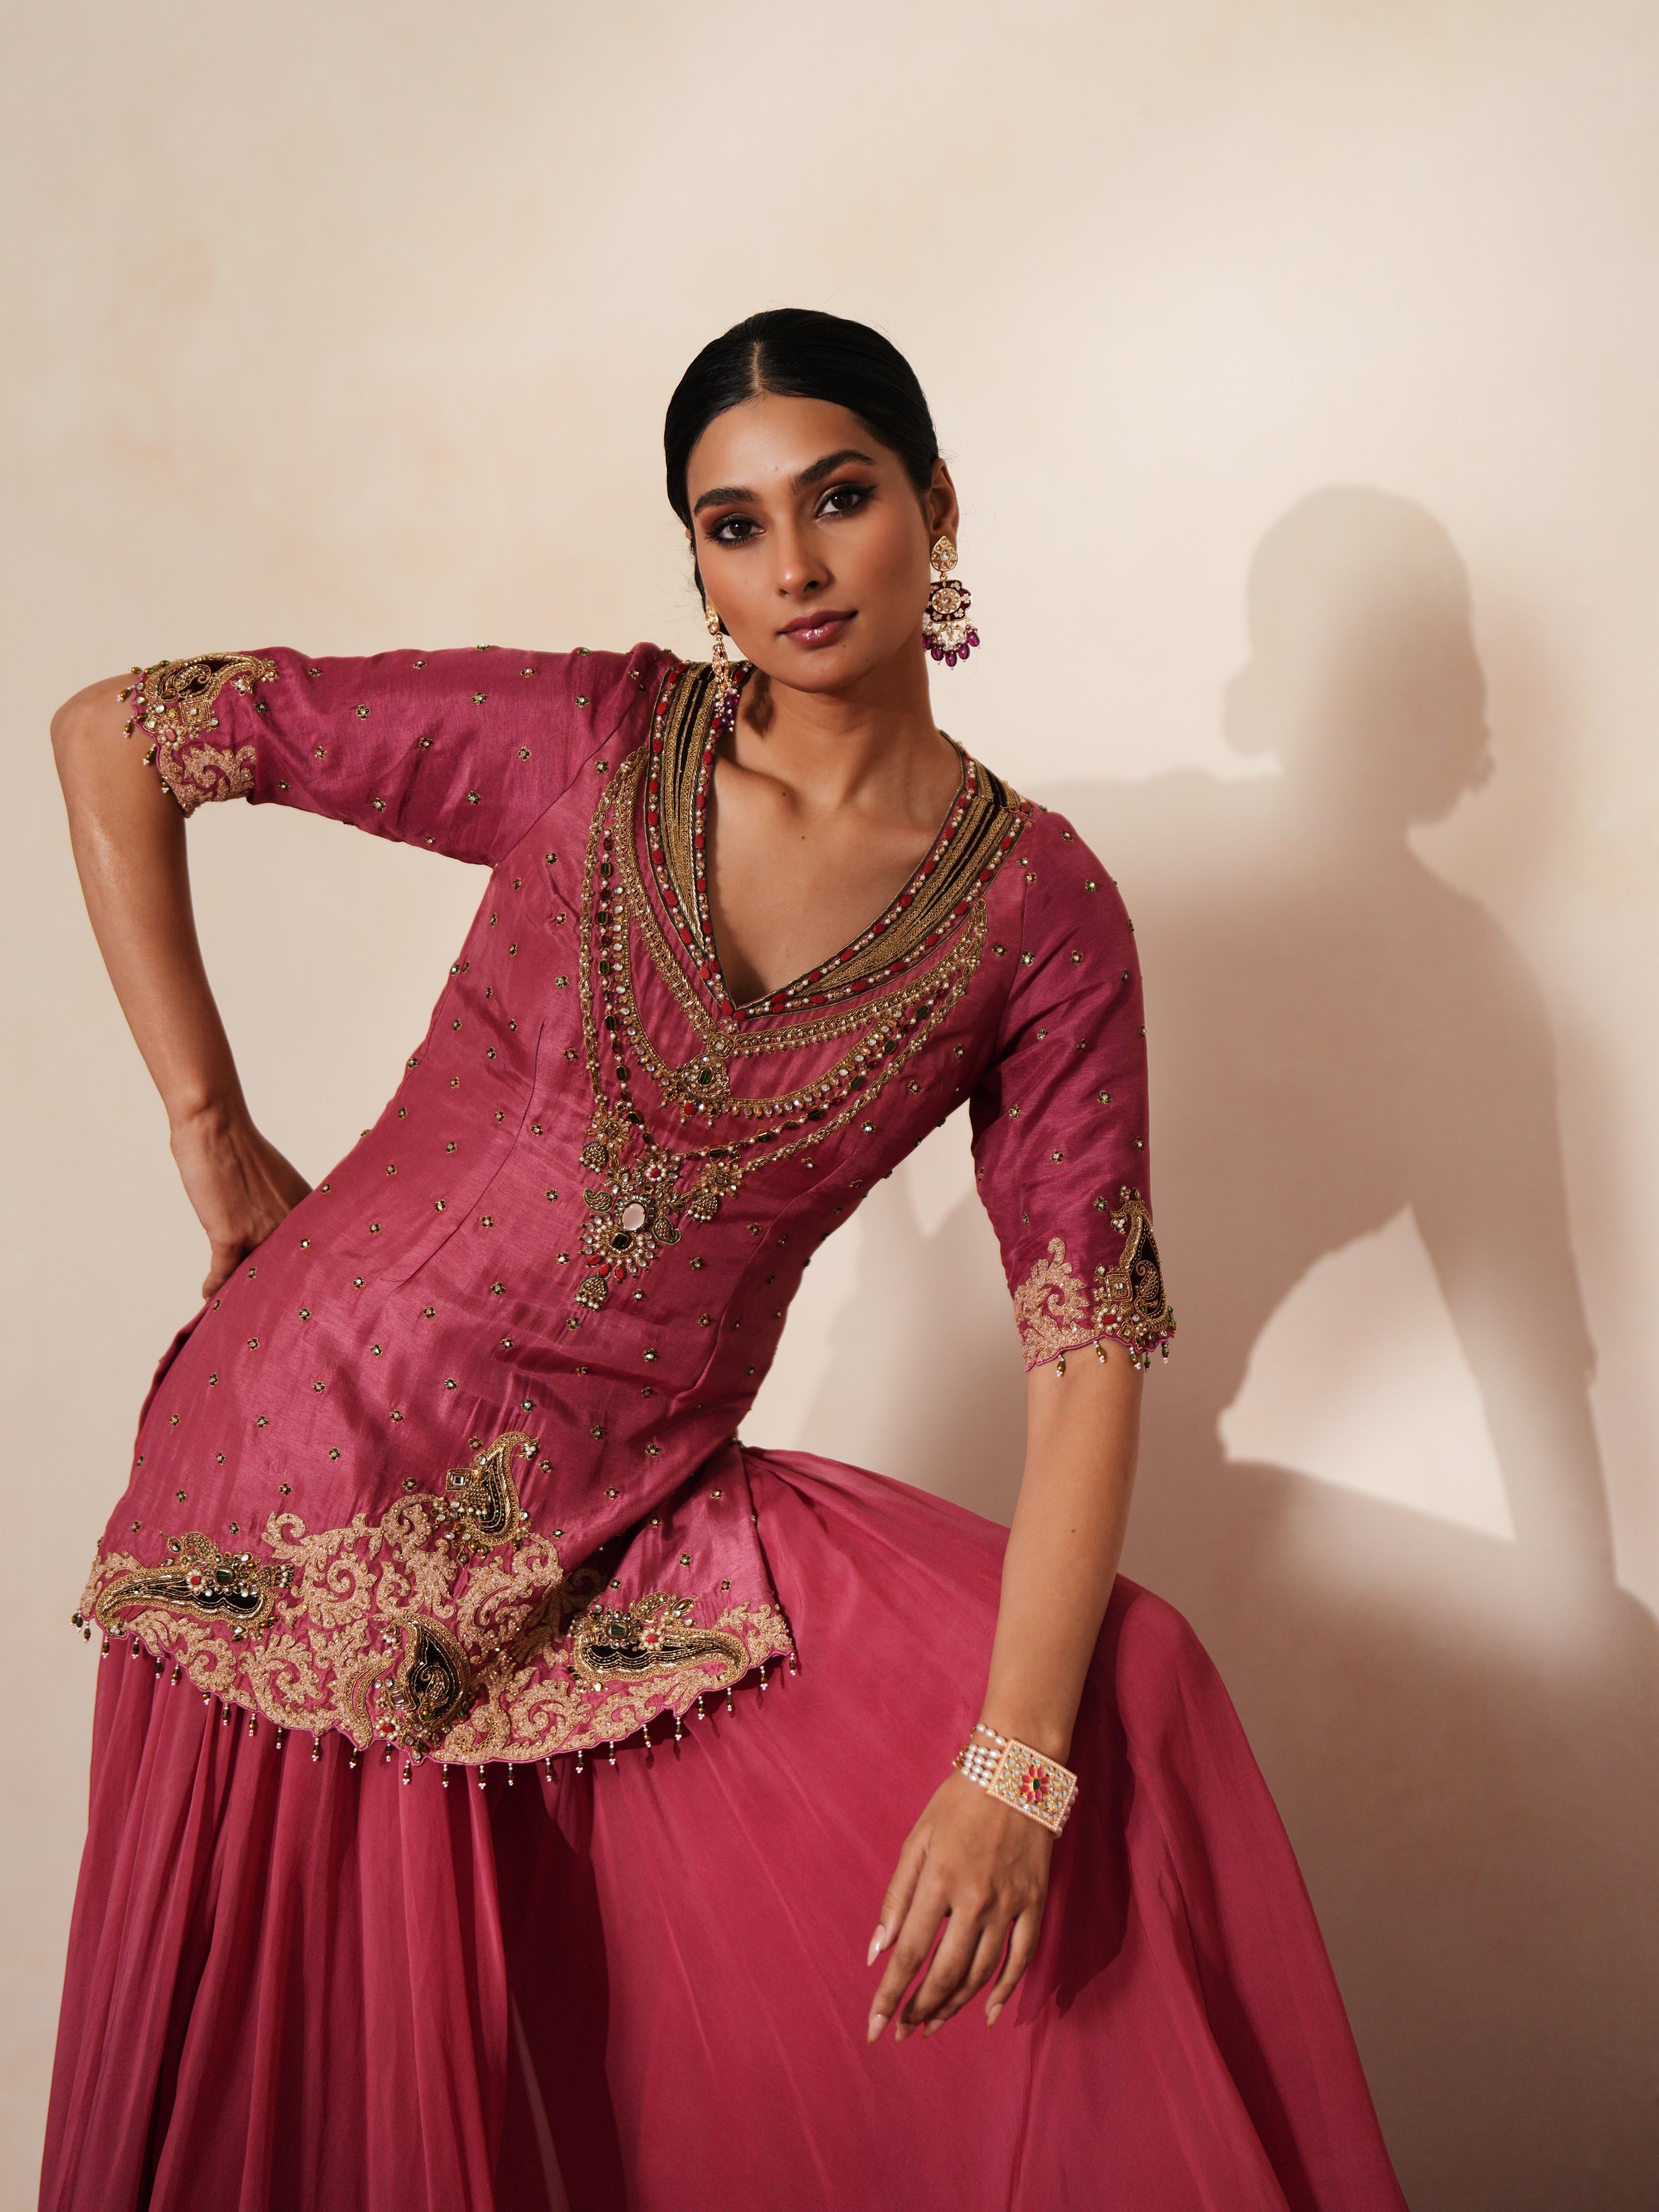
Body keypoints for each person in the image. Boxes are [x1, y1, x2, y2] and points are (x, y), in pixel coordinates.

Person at [40, 309, 1406, 2211]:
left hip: (622, 1517)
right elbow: (121, 734)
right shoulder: (589, 741)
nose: (795, 563)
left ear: (934, 505)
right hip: (293, 1496)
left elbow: (1088, 1341)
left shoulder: (1039, 916)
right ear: (693, 560)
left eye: (838, 498)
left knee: (1131, 1685)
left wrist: (1013, 1771)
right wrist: (213, 1139)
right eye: (734, 524)